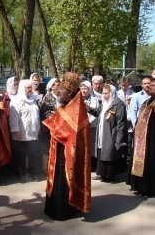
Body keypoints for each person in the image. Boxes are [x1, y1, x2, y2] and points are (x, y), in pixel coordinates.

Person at [43, 72, 91, 220]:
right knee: (57, 178)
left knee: (64, 181)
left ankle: (62, 210)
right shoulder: (67, 105)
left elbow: (68, 133)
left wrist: (53, 128)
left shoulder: (76, 109)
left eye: (62, 89)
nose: (58, 91)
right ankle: (53, 207)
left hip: (67, 155)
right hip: (59, 152)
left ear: (70, 93)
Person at [9, 80, 41, 181]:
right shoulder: (16, 100)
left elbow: (37, 116)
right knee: (22, 155)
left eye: (30, 87)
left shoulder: (33, 99)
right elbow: (14, 117)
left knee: (31, 154)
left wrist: (38, 127)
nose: (30, 90)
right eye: (28, 88)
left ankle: (30, 173)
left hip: (33, 132)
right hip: (21, 133)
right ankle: (22, 174)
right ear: (23, 88)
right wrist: (16, 130)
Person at [95, 84, 128, 183]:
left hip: (111, 133)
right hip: (102, 132)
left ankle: (112, 174)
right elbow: (97, 113)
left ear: (112, 93)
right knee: (103, 152)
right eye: (103, 93)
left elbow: (121, 123)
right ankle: (103, 174)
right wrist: (88, 108)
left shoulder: (119, 104)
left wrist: (119, 139)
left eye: (107, 93)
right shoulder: (103, 103)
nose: (104, 96)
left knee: (111, 153)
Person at [39, 78, 60, 174]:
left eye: (59, 84)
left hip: (59, 127)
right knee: (46, 148)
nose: (58, 86)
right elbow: (45, 112)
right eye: (56, 84)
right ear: (52, 87)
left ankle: (55, 166)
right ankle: (45, 168)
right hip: (48, 127)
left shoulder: (60, 97)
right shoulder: (47, 97)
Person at [80, 81, 101, 171]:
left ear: (89, 89)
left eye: (85, 89)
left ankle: (92, 164)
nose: (83, 91)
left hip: (92, 125)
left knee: (92, 145)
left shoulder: (96, 99)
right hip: (81, 126)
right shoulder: (77, 99)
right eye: (82, 89)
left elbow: (97, 112)